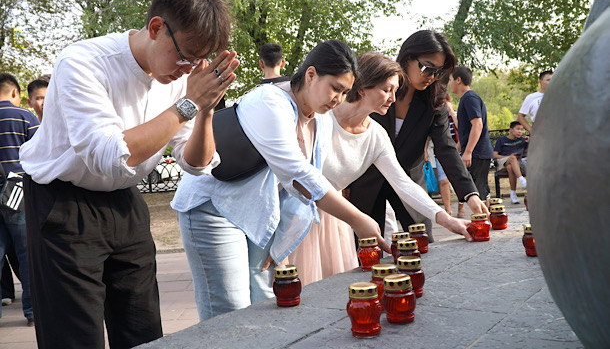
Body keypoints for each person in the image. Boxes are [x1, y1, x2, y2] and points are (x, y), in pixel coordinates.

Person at [19, 0, 239, 349]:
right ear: (156, 28)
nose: (189, 68)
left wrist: (203, 109)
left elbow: (196, 163)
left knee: (142, 330)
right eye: (185, 54)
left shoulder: (178, 76)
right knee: (74, 336)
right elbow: (109, 153)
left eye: (199, 60)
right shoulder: (84, 62)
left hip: (125, 201)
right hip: (63, 203)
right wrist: (186, 104)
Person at [171, 40, 389, 322]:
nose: (338, 99)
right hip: (213, 208)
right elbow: (297, 173)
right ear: (310, 75)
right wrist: (358, 219)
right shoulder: (269, 101)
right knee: (230, 314)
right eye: (335, 88)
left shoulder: (318, 117)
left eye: (345, 92)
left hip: (256, 214)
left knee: (265, 305)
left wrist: (281, 241)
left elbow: (301, 185)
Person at [288, 53, 472, 285]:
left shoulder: (376, 135)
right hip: (297, 217)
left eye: (395, 91)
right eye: (387, 90)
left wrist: (445, 219)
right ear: (363, 87)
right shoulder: (321, 118)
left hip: (338, 221)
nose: (393, 98)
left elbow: (403, 183)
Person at [348, 30, 489, 239]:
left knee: (423, 244)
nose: (431, 77)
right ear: (407, 58)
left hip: (410, 181)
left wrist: (470, 194)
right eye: (427, 68)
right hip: (366, 182)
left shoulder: (435, 100)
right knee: (367, 251)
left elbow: (445, 147)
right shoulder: (376, 89)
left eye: (438, 72)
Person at [0, 73, 39, 326]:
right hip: (18, 190)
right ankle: (33, 311)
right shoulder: (25, 117)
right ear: (15, 92)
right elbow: (40, 154)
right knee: (28, 254)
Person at [448, 66, 494, 208]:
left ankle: (482, 224)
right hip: (477, 152)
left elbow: (477, 125)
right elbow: (466, 128)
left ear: (458, 80)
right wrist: (460, 146)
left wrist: (468, 152)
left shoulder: (469, 98)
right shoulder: (466, 99)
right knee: (480, 189)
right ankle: (487, 220)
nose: (449, 84)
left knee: (477, 190)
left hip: (477, 153)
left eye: (450, 80)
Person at [494, 121, 528, 204]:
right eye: (518, 129)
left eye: (521, 129)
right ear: (511, 130)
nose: (520, 131)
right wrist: (507, 157)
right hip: (502, 162)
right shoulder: (501, 140)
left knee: (510, 167)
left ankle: (513, 194)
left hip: (516, 164)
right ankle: (521, 180)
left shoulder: (522, 140)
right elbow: (495, 155)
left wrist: (531, 139)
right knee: (512, 158)